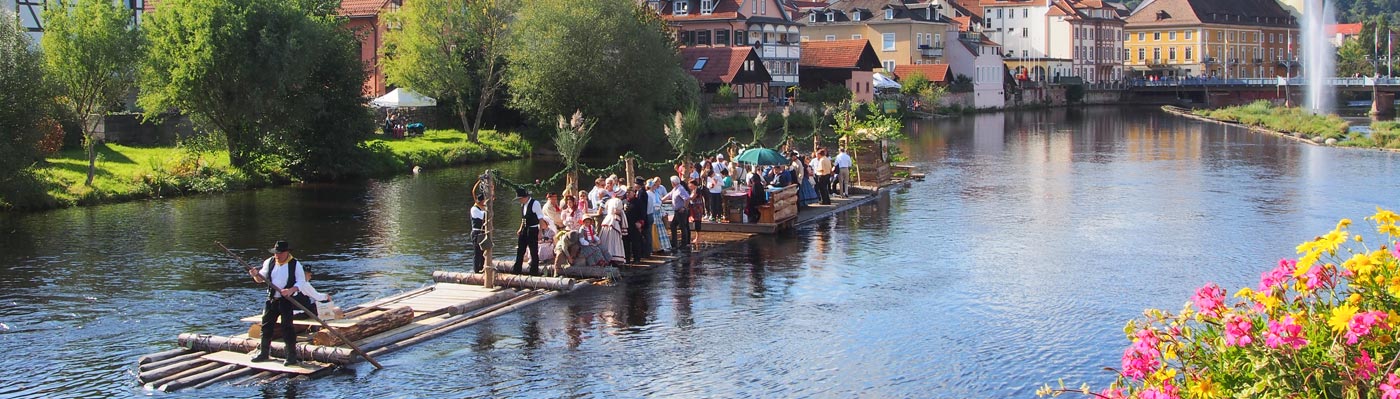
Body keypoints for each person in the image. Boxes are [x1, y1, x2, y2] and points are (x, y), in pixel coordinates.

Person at [249, 240, 319, 366]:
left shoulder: (295, 264)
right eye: (276, 253)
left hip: (286, 300)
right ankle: (263, 353)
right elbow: (260, 279)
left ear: (287, 252)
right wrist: (255, 275)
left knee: (287, 328)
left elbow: (301, 282)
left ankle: (291, 357)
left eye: (280, 253)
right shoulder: (269, 262)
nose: (277, 255)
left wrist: (291, 290)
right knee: (266, 327)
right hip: (272, 299)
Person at [512, 188, 551, 275]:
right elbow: (523, 218)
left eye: (520, 199)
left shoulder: (535, 203)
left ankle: (534, 272)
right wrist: (520, 228)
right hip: (524, 229)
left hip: (533, 229)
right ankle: (516, 270)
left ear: (524, 197)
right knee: (520, 250)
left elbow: (540, 218)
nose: (519, 201)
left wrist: (540, 232)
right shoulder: (523, 205)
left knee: (533, 251)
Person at [662, 176, 690, 250]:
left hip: (681, 211)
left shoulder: (680, 189)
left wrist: (684, 207)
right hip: (677, 211)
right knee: (673, 225)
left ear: (673, 183)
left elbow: (687, 198)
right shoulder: (675, 189)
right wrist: (661, 200)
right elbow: (669, 195)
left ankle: (684, 243)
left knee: (682, 226)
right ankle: (674, 243)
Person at [625, 179, 650, 263]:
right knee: (626, 242)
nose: (628, 194)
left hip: (635, 224)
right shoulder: (624, 202)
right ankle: (627, 258)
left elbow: (642, 213)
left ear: (634, 193)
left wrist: (640, 222)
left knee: (636, 242)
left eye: (630, 192)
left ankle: (637, 258)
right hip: (626, 225)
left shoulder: (638, 202)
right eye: (627, 193)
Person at [599, 197, 627, 265]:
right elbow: (617, 211)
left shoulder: (611, 201)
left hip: (608, 220)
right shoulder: (617, 201)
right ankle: (612, 257)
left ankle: (609, 257)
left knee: (607, 240)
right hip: (613, 221)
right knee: (613, 240)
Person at [647, 177, 671, 254]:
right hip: (652, 213)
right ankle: (655, 247)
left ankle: (661, 246)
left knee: (660, 230)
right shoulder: (648, 193)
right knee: (654, 230)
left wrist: (662, 211)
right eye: (653, 185)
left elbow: (660, 202)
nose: (655, 186)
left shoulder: (656, 193)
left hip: (657, 213)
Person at [470, 194, 487, 273]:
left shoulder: (482, 208)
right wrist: (486, 209)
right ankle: (476, 270)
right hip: (476, 233)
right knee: (477, 253)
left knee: (483, 252)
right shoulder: (474, 209)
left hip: (483, 232)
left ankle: (482, 267)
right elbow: (482, 216)